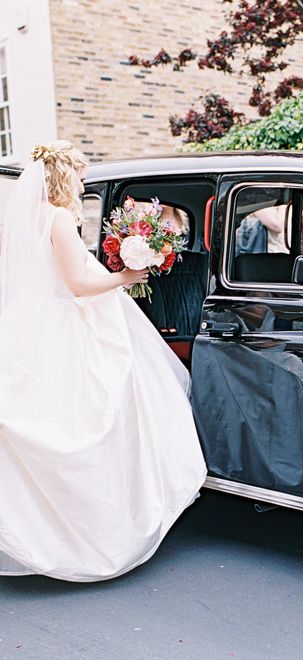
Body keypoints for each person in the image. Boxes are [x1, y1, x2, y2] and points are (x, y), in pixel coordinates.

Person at [0, 141, 207, 581]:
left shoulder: (28, 221)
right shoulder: (56, 218)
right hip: (69, 329)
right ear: (61, 176)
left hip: (41, 329)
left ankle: (48, 528)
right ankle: (98, 532)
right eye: (77, 175)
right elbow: (76, 282)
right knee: (102, 418)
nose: (80, 182)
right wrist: (125, 276)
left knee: (55, 419)